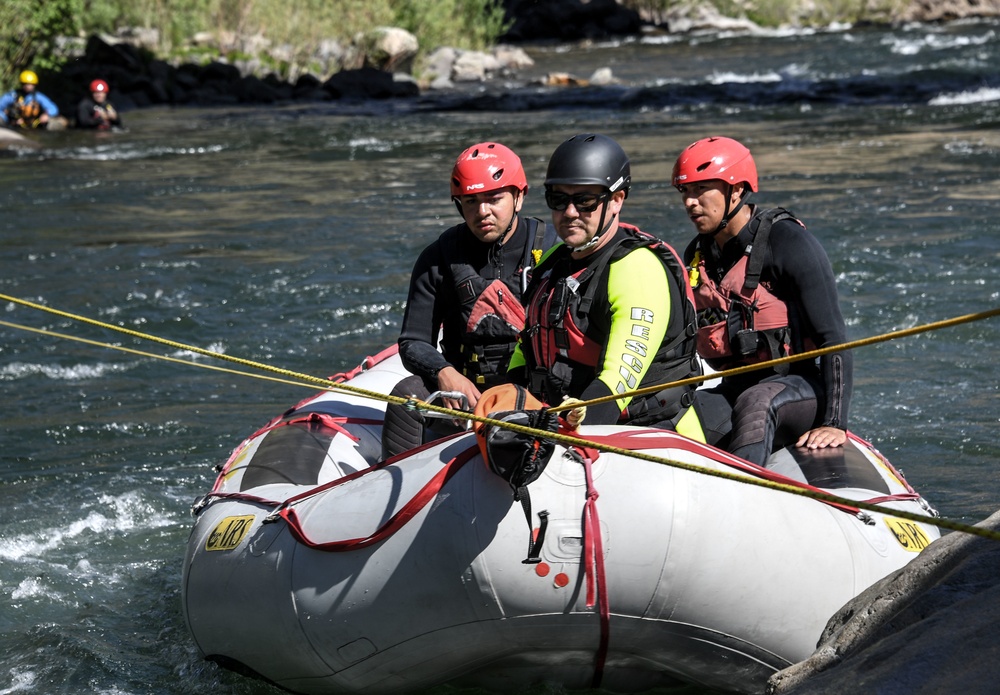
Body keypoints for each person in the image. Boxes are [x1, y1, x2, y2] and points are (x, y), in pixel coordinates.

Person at [671, 135, 853, 466]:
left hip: (799, 388)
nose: (689, 202)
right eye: (685, 191)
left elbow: (834, 339)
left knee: (758, 402)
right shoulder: (698, 254)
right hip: (734, 388)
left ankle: (744, 499)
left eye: (701, 190)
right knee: (676, 414)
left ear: (736, 190)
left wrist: (834, 423)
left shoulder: (789, 242)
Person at [507, 133, 704, 435]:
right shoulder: (553, 263)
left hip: (651, 434)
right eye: (558, 200)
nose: (570, 212)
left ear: (615, 200)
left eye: (585, 200)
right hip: (562, 423)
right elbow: (528, 347)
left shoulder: (637, 269)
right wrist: (503, 400)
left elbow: (614, 389)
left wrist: (561, 433)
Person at [381, 141, 557, 459]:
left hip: (538, 394)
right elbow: (412, 342)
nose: (482, 211)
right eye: (470, 201)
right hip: (466, 400)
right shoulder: (438, 258)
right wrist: (444, 372)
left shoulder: (554, 249)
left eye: (494, 198)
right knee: (407, 395)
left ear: (519, 197)